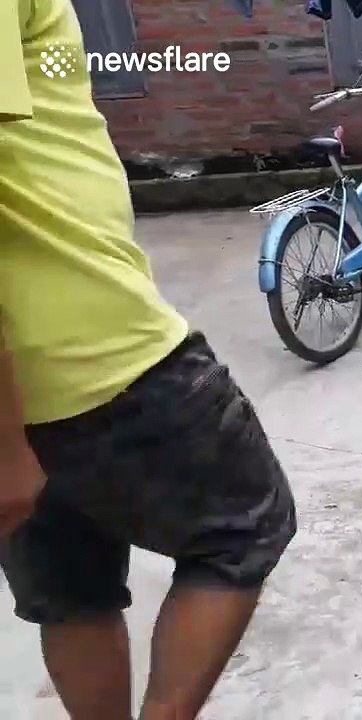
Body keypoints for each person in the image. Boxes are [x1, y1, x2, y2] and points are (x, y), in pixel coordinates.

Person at [0, 0, 297, 717]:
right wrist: (6, 447)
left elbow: (53, 81)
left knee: (73, 590)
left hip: (37, 372)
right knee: (248, 522)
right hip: (95, 352)